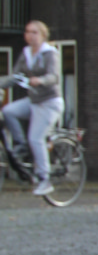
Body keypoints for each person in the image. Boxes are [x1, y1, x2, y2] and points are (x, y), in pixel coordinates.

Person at [1, 19, 62, 196]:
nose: (30, 35)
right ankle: (21, 145)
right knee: (8, 111)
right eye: (27, 32)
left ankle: (45, 179)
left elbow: (54, 77)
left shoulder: (49, 53)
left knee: (35, 138)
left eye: (34, 32)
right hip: (33, 102)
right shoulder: (26, 53)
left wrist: (40, 80)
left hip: (49, 103)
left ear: (43, 35)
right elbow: (15, 76)